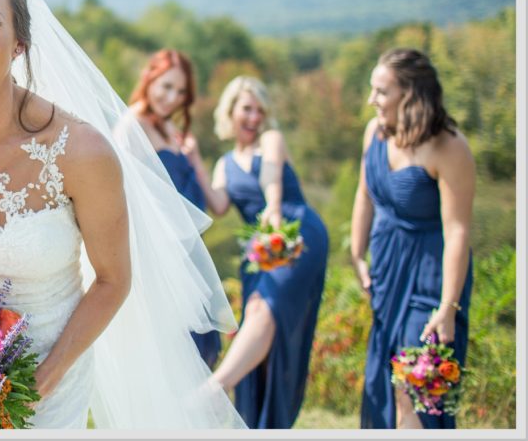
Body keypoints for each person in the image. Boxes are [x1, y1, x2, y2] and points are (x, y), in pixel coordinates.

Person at [0, 0, 245, 429]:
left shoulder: (81, 151)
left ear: (20, 43)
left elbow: (113, 280)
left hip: (50, 384)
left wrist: (43, 380)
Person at [351, 48, 474, 429]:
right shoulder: (374, 132)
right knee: (386, 382)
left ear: (411, 94)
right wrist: (357, 255)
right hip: (387, 270)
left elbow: (458, 231)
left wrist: (448, 306)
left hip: (431, 276)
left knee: (415, 383)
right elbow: (364, 194)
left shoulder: (449, 147)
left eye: (381, 91)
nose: (372, 100)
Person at [201, 75, 329, 428]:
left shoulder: (271, 140)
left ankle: (215, 389)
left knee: (267, 307)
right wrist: (194, 158)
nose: (254, 117)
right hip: (257, 250)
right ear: (231, 112)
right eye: (247, 108)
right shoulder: (224, 163)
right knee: (257, 309)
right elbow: (219, 204)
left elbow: (271, 177)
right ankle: (249, 413)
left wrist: (273, 210)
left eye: (260, 110)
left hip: (294, 233)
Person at [127, 48, 221, 369]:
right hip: (160, 256)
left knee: (199, 351)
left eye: (180, 92)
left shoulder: (168, 128)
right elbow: (129, 199)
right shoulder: (132, 126)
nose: (172, 97)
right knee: (173, 355)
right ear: (149, 78)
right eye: (166, 86)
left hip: (188, 251)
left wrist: (192, 159)